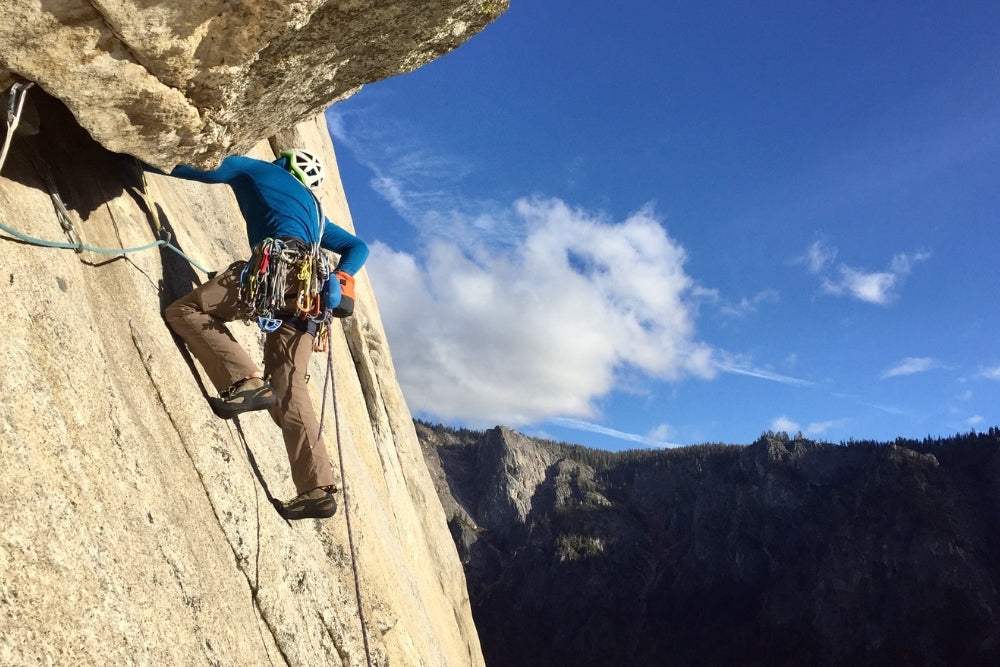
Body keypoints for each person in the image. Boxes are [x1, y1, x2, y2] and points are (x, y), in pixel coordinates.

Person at [161, 149, 369, 520]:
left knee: (185, 310)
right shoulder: (317, 217)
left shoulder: (259, 170)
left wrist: (140, 160)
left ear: (284, 164)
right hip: (310, 296)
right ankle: (315, 489)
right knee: (289, 386)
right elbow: (358, 246)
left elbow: (207, 170)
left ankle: (243, 380)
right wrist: (341, 277)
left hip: (277, 270)